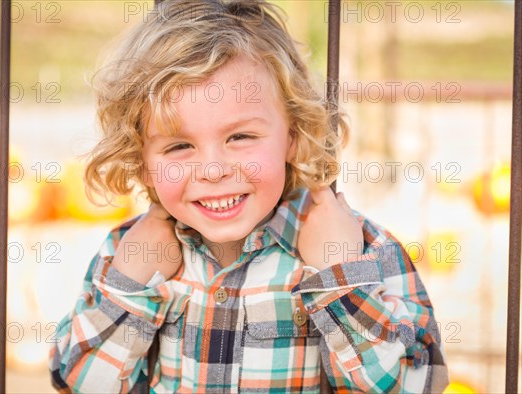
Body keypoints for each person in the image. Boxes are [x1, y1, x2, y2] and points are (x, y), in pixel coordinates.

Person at [48, 0, 449, 392]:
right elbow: (76, 380)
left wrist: (339, 278)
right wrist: (132, 287)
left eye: (240, 137)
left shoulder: (361, 249)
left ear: (293, 135)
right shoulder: (130, 253)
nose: (213, 170)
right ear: (141, 158)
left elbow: (419, 382)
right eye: (178, 146)